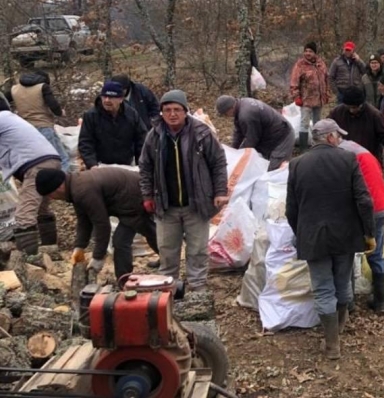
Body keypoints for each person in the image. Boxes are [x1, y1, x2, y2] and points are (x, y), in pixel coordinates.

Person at [286, 119, 375, 360]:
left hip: (313, 237)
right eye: (338, 136)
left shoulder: (296, 164)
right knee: (343, 283)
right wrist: (369, 232)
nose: (340, 140)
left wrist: (301, 232)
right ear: (330, 137)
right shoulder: (347, 160)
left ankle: (332, 344)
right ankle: (340, 326)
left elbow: (291, 209)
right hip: (345, 235)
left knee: (323, 289)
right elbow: (364, 200)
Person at [139, 90, 228, 292]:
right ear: (161, 112)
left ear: (185, 111)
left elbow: (218, 163)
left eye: (177, 110)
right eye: (167, 110)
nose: (172, 114)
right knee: (167, 250)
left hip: (196, 204)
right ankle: (167, 288)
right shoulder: (154, 136)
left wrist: (220, 191)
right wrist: (147, 195)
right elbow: (145, 167)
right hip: (166, 205)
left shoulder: (201, 133)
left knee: (197, 250)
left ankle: (197, 288)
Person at [35, 167, 159, 279]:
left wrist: (98, 258)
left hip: (134, 197)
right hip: (128, 196)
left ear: (59, 187)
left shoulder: (82, 191)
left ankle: (124, 279)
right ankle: (166, 257)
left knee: (121, 241)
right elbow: (84, 220)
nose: (51, 198)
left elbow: (102, 225)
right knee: (147, 229)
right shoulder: (75, 186)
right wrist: (79, 247)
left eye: (50, 194)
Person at [338, 139, 384, 314]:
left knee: (348, 252)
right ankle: (380, 302)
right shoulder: (364, 152)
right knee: (377, 254)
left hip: (366, 207)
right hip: (382, 205)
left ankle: (349, 302)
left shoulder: (344, 157)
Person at [0, 110, 61, 255]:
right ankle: (50, 251)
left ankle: (29, 260)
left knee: (24, 215)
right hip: (51, 159)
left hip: (36, 165)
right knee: (41, 209)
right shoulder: (9, 117)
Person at [6, 70, 70, 172]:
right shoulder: (43, 87)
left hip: (25, 130)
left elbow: (4, 101)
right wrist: (60, 113)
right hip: (43, 127)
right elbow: (53, 105)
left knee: (36, 161)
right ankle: (62, 183)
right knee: (62, 158)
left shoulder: (14, 89)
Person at [78, 81, 149, 170]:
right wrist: (92, 164)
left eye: (111, 97)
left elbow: (142, 140)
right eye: (104, 96)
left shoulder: (131, 115)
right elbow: (85, 143)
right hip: (100, 166)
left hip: (126, 165)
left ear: (121, 99)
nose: (107, 100)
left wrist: (141, 165)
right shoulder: (91, 116)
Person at [215, 95, 295, 170]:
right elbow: (238, 133)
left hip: (283, 137)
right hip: (270, 136)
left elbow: (252, 140)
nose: (226, 116)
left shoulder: (246, 115)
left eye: (225, 114)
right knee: (262, 163)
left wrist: (240, 156)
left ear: (230, 109)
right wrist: (233, 151)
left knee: (275, 170)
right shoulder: (241, 104)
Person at [327, 86, 384, 164]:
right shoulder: (337, 112)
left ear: (361, 104)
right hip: (344, 160)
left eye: (354, 107)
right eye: (349, 107)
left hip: (368, 158)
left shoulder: (374, 115)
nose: (351, 110)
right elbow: (326, 128)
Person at [289, 42, 329, 151]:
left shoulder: (321, 64)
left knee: (318, 122)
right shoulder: (300, 65)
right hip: (305, 99)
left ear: (315, 53)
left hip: (319, 98)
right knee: (304, 123)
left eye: (310, 51)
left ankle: (317, 146)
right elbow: (294, 82)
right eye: (306, 51)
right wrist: (296, 96)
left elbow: (326, 79)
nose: (308, 53)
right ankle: (303, 149)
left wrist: (326, 93)